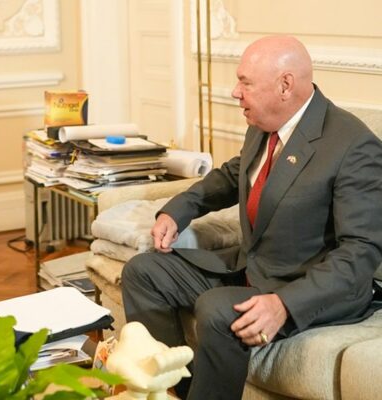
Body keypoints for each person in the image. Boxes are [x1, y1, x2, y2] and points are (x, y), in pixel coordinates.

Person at [121, 35, 382, 399]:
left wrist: (285, 304)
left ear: (285, 85)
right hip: (254, 267)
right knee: (144, 272)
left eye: (245, 83)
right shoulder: (264, 124)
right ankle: (174, 391)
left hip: (306, 286)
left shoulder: (354, 146)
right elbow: (234, 175)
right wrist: (178, 211)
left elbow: (361, 252)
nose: (234, 92)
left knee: (217, 309)